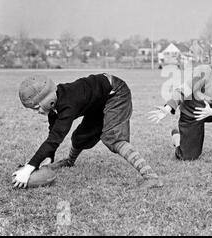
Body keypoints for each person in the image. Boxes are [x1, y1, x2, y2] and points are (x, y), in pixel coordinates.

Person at [13, 73, 162, 188]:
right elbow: (53, 132)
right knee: (80, 137)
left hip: (116, 93)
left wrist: (28, 168)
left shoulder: (67, 104)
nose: (38, 111)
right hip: (98, 101)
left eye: (37, 107)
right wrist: (46, 160)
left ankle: (151, 177)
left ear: (48, 99)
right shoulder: (55, 103)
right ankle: (70, 162)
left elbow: (55, 138)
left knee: (114, 138)